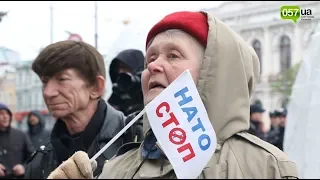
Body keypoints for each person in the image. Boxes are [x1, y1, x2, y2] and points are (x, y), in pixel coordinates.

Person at [47, 11, 298, 179]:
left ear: (215, 70)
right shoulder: (117, 168)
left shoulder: (266, 166)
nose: (153, 67)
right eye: (151, 58)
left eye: (173, 56)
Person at [23, 41, 136, 179]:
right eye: (45, 82)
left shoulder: (135, 142)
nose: (48, 92)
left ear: (96, 87)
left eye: (62, 79)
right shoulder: (40, 161)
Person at [0, 103, 35, 179]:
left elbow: (33, 157)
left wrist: (24, 167)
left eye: (7, 113)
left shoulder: (20, 135)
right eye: (1, 114)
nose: (5, 116)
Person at [108, 49, 145, 116]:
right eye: (118, 68)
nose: (120, 71)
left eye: (125, 67)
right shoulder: (116, 95)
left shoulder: (149, 93)